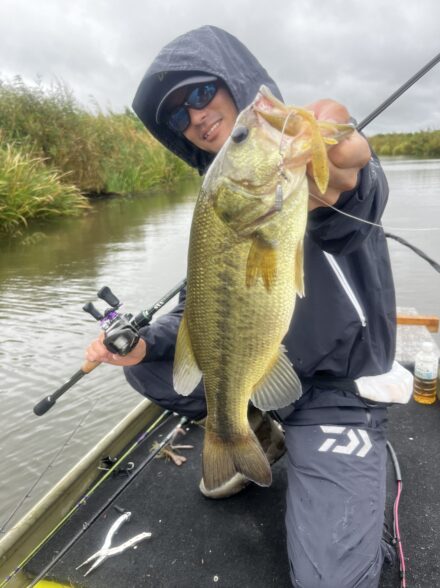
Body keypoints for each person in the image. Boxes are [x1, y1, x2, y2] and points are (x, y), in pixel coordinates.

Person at [86, 25, 412, 588]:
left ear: (235, 79)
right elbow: (201, 304)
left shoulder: (296, 169)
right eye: (176, 117)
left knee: (330, 580)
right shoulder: (216, 202)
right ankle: (248, 429)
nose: (195, 117)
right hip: (265, 369)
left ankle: (351, 513)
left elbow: (353, 195)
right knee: (146, 366)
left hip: (334, 392)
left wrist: (341, 178)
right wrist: (146, 344)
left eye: (198, 92)